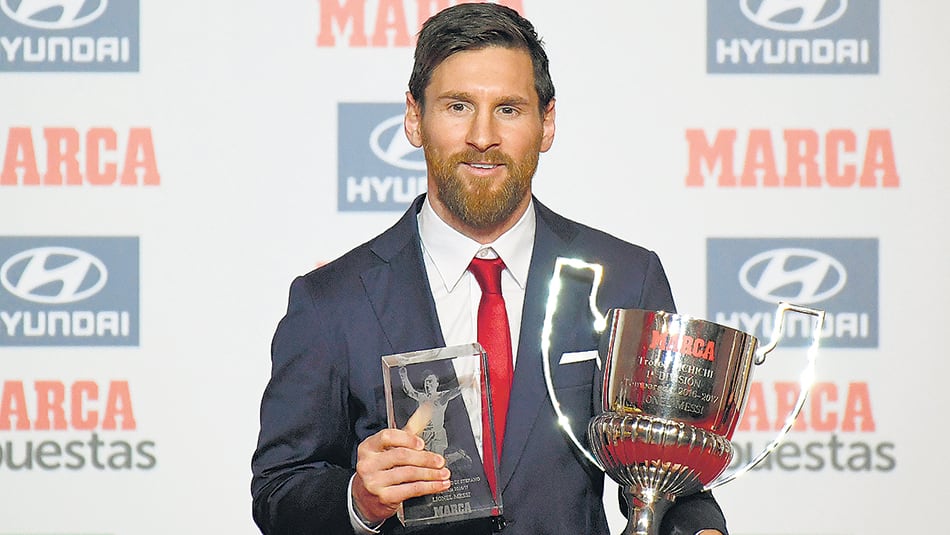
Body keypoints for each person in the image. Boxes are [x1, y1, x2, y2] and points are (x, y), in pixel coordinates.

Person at [251, 3, 728, 535]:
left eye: (508, 108)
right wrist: (358, 500)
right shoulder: (331, 301)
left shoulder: (625, 277)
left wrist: (697, 529)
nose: (482, 135)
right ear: (414, 117)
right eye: (457, 106)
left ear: (547, 123)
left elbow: (673, 479)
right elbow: (278, 491)